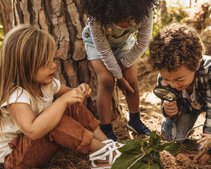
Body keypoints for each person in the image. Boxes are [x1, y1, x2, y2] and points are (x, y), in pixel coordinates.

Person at [0, 25, 123, 169]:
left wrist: (79, 91)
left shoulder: (46, 84)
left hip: (35, 149)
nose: (54, 66)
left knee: (71, 106)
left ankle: (108, 145)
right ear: (24, 67)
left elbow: (71, 94)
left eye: (53, 59)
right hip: (14, 160)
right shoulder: (17, 97)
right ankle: (104, 153)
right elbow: (33, 131)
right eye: (45, 63)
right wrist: (63, 100)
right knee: (55, 122)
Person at [148, 23, 211, 164]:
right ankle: (187, 130)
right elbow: (166, 104)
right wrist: (169, 111)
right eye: (168, 80)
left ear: (196, 64)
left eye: (179, 79)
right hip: (187, 106)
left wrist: (209, 147)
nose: (173, 85)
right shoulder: (165, 77)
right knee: (170, 137)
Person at [80, 0, 159, 140]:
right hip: (97, 45)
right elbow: (104, 51)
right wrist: (119, 78)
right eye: (119, 18)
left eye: (129, 19)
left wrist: (122, 69)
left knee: (131, 79)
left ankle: (135, 120)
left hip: (123, 44)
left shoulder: (145, 11)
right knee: (106, 80)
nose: (125, 24)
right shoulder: (96, 18)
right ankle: (106, 128)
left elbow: (142, 43)